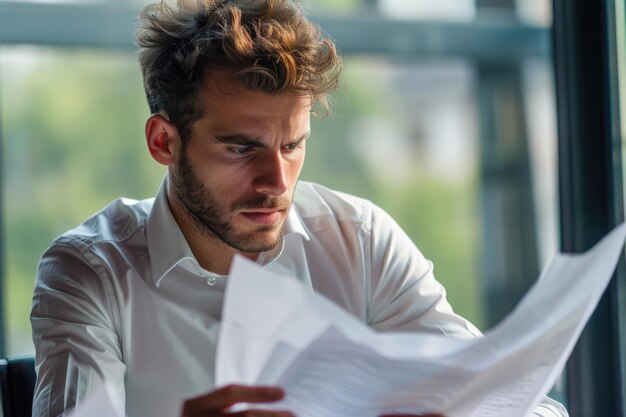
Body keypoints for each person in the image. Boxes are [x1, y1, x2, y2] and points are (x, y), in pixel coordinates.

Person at [30, 1, 568, 416]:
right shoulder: (90, 273)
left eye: (292, 146)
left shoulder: (359, 240)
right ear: (163, 142)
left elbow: (525, 403)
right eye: (241, 149)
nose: (276, 182)